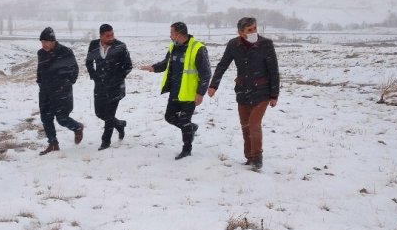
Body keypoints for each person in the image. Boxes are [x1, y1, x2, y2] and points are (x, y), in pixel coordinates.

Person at [207, 17, 280, 170]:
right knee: (245, 126)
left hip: (262, 92)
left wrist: (274, 95)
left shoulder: (266, 44)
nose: (254, 32)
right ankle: (250, 158)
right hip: (242, 92)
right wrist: (214, 85)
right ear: (241, 33)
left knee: (254, 124)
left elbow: (273, 70)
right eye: (249, 30)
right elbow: (222, 65)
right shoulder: (234, 45)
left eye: (255, 28)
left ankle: (258, 158)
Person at [141, 22, 211, 160]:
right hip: (174, 91)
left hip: (189, 94)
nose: (170, 36)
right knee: (169, 117)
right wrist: (153, 67)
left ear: (178, 34)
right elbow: (166, 63)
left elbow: (206, 73)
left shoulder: (198, 48)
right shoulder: (173, 47)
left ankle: (186, 149)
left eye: (172, 33)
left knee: (184, 121)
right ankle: (191, 128)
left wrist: (200, 93)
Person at [36, 27, 84, 155]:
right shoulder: (41, 53)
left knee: (62, 119)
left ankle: (77, 127)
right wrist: (40, 83)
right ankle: (53, 144)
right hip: (45, 91)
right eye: (42, 42)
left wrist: (65, 85)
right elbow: (40, 71)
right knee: (46, 118)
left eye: (46, 42)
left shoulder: (65, 52)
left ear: (53, 41)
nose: (43, 45)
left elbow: (74, 71)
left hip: (61, 92)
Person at [85, 24, 133, 150]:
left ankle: (105, 141)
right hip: (99, 86)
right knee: (99, 113)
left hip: (115, 86)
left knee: (109, 115)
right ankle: (120, 124)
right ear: (101, 36)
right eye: (108, 36)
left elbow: (128, 66)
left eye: (112, 34)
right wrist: (94, 76)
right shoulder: (94, 45)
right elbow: (89, 62)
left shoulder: (120, 46)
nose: (111, 37)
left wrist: (117, 78)